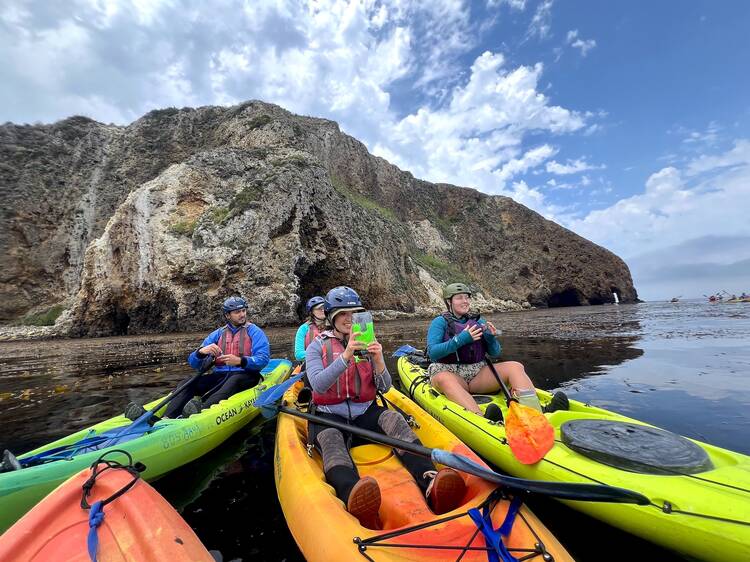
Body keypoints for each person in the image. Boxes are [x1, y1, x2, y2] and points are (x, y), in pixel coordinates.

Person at [305, 286, 466, 529]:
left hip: (364, 411)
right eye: (343, 314)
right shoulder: (316, 347)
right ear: (331, 317)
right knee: (331, 441)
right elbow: (318, 385)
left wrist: (379, 360)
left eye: (355, 313)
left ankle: (429, 480)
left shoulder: (368, 343)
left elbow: (384, 386)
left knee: (394, 419)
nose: (349, 319)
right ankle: (353, 497)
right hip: (329, 415)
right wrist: (346, 356)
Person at [426, 283, 568, 419]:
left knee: (515, 367)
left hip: (476, 373)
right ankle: (480, 418)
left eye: (467, 297)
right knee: (444, 379)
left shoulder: (478, 321)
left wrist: (490, 338)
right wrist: (461, 340)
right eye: (459, 298)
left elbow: (495, 353)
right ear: (449, 302)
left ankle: (535, 411)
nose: (465, 301)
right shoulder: (439, 322)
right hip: (449, 372)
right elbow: (433, 352)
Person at [125, 296, 270, 420]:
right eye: (237, 312)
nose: (242, 314)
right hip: (220, 375)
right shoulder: (217, 335)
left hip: (246, 375)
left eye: (243, 311)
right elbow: (194, 363)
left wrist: (241, 361)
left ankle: (200, 411)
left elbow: (263, 359)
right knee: (188, 381)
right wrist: (201, 352)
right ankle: (165, 418)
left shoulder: (255, 332)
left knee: (234, 380)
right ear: (227, 315)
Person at [294, 296, 327, 361]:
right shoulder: (304, 328)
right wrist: (323, 355)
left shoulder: (333, 325)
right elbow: (299, 355)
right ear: (311, 312)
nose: (323, 310)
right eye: (319, 308)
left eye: (324, 307)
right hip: (312, 363)